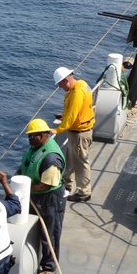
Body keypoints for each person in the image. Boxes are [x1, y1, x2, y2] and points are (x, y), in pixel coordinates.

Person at [18, 118, 67, 274]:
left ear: (41, 135)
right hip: (34, 196)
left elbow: (45, 185)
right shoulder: (36, 147)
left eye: (32, 136)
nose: (29, 140)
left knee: (50, 233)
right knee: (35, 228)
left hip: (49, 199)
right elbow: (25, 164)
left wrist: (24, 188)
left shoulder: (51, 158)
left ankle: (49, 266)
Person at [52, 66, 96, 201]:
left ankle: (84, 192)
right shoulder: (82, 84)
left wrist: (57, 130)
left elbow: (72, 115)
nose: (59, 87)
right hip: (82, 131)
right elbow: (78, 108)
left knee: (80, 163)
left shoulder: (77, 92)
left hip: (79, 134)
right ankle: (67, 185)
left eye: (59, 84)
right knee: (70, 159)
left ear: (65, 80)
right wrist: (64, 115)